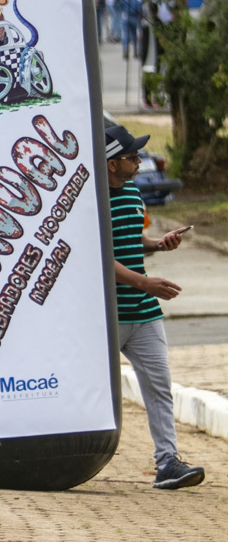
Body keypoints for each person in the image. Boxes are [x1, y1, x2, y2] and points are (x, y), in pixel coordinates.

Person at [105, 124, 205, 489]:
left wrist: (156, 244)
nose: (137, 161)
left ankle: (167, 463)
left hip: (144, 313)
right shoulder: (91, 200)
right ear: (112, 164)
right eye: (131, 157)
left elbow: (129, 239)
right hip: (107, 315)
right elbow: (99, 256)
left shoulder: (132, 192)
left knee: (160, 386)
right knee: (98, 390)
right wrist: (145, 282)